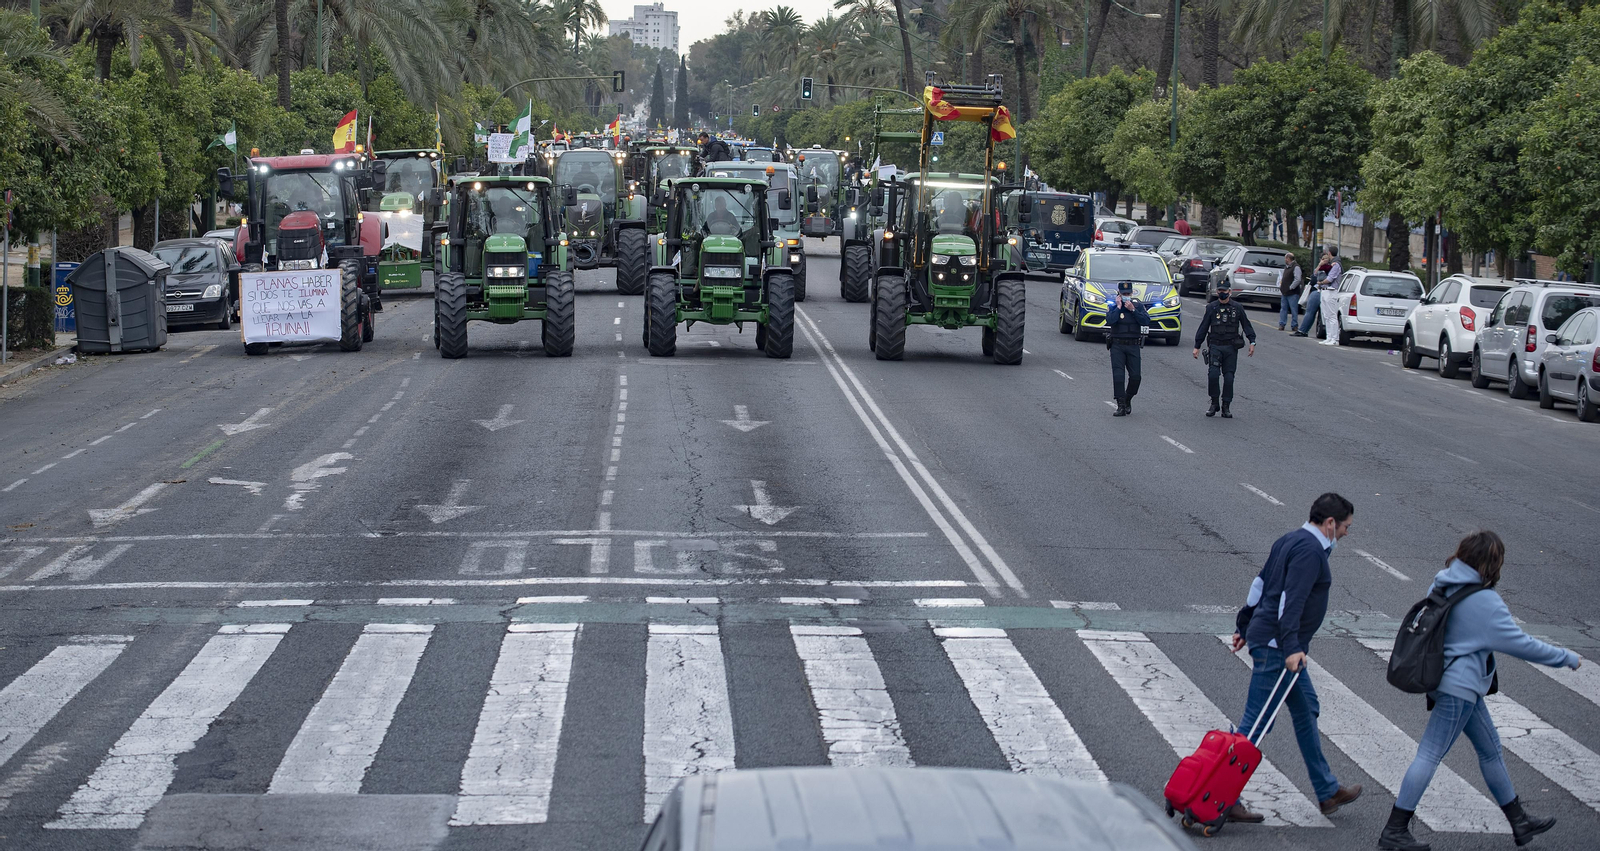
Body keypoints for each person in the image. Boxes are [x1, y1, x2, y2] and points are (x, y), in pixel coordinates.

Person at [1379, 531, 1578, 851]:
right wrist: (1565, 657)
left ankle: (1518, 820)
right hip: (1460, 687)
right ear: (1491, 565)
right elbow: (1521, 644)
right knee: (1429, 754)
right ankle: (1395, 830)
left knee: (1490, 750)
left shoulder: (1442, 582)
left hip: (1446, 682)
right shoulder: (1484, 600)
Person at [1228, 493, 1364, 824]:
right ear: (1330, 523)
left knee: (1306, 709)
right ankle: (1224, 797)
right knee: (1256, 725)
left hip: (1275, 641)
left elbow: (1259, 584)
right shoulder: (1310, 551)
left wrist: (1245, 624)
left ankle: (1327, 790)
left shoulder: (1289, 539)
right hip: (1280, 648)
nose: (1347, 533)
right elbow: (1291, 599)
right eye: (1346, 526)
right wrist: (1290, 647)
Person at [1193, 283, 1256, 418]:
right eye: (1220, 290)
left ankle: (1226, 405)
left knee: (1229, 378)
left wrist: (1252, 342)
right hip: (1215, 346)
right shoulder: (1212, 307)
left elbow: (1246, 325)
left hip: (1231, 348)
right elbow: (1204, 326)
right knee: (1213, 375)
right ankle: (1214, 402)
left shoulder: (1237, 308)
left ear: (1230, 292)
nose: (1222, 293)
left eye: (1224, 290)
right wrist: (1197, 346)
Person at [1105, 281, 1149, 417]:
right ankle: (1120, 405)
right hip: (1117, 345)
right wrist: (1118, 308)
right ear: (1118, 293)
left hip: (1133, 345)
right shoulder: (1112, 307)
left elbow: (1146, 321)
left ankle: (1128, 398)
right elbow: (1110, 320)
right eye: (1123, 294)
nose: (1126, 296)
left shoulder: (1138, 306)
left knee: (1136, 377)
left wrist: (1133, 310)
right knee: (1118, 376)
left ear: (1132, 293)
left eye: (1128, 294)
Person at [1278, 253, 1303, 331]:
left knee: (1293, 309)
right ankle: (1282, 324)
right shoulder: (1287, 267)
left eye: (1286, 258)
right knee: (1283, 309)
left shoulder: (1296, 267)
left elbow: (1298, 279)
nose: (1285, 260)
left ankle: (1294, 325)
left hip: (1292, 293)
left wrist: (1291, 287)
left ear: (1288, 258)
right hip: (1285, 292)